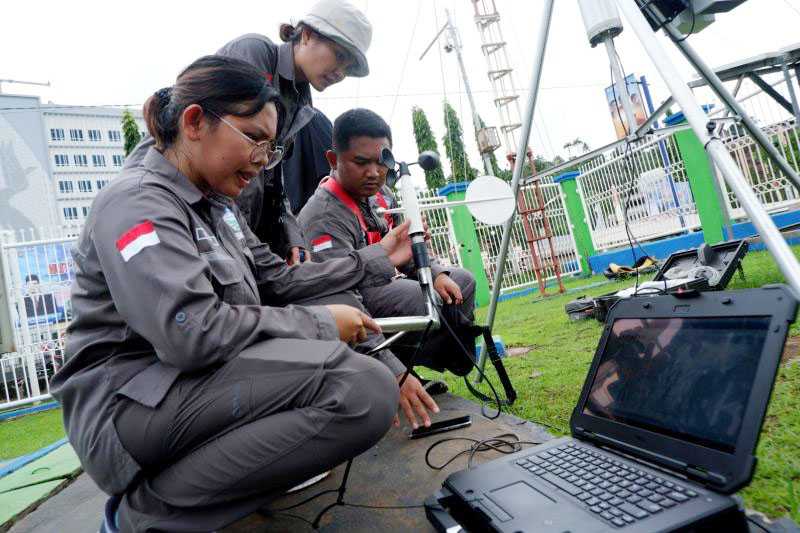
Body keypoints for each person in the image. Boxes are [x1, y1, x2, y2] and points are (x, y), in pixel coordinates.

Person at [50, 56, 427, 532]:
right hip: (125, 410)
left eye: (271, 148)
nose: (262, 160)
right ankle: (143, 519)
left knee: (352, 378)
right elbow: (192, 333)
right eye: (253, 138)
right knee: (361, 389)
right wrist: (321, 325)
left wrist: (376, 259)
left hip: (186, 389)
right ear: (194, 122)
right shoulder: (138, 203)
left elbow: (279, 282)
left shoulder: (217, 208)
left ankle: (200, 487)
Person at [122, 0, 372, 266]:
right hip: (171, 197)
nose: (340, 72)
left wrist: (290, 234)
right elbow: (226, 152)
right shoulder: (255, 53)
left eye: (348, 69)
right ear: (307, 34)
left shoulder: (301, 104)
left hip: (227, 222)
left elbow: (273, 175)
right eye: (340, 56)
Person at [298, 108, 478, 382]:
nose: (374, 173)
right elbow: (334, 288)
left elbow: (404, 251)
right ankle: (391, 374)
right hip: (353, 296)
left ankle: (415, 366)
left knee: (461, 282)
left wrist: (435, 271)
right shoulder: (323, 215)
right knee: (424, 301)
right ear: (333, 160)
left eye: (382, 162)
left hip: (387, 282)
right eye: (361, 162)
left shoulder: (380, 195)